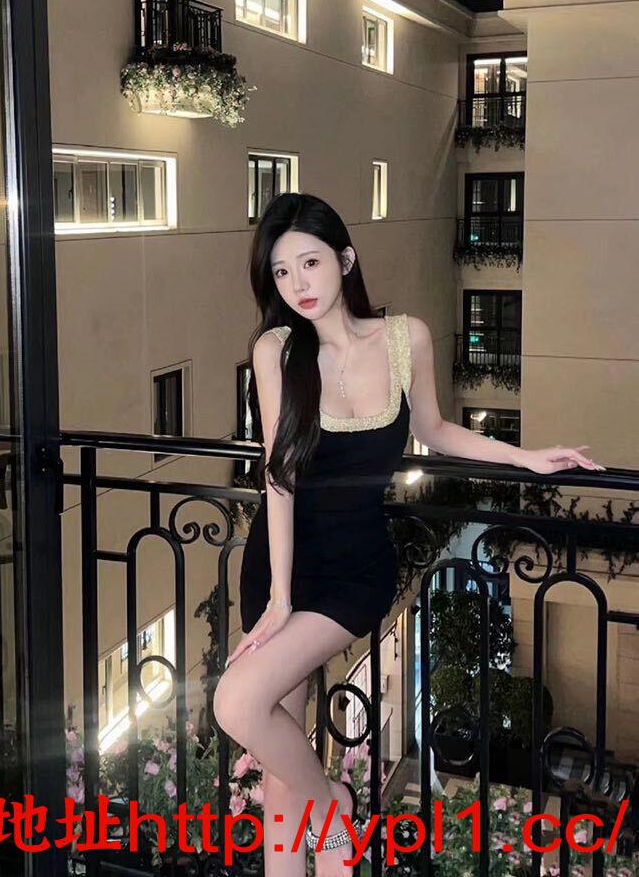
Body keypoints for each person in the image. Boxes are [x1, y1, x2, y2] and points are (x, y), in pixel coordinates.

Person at [213, 192, 604, 876]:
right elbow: (280, 477)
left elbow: (435, 429)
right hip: (280, 566)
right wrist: (278, 598)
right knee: (278, 769)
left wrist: (525, 457)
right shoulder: (276, 349)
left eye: (310, 262)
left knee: (238, 701)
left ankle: (333, 807)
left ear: (345, 259)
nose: (298, 284)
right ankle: (329, 822)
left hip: (355, 573)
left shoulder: (405, 339)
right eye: (281, 272)